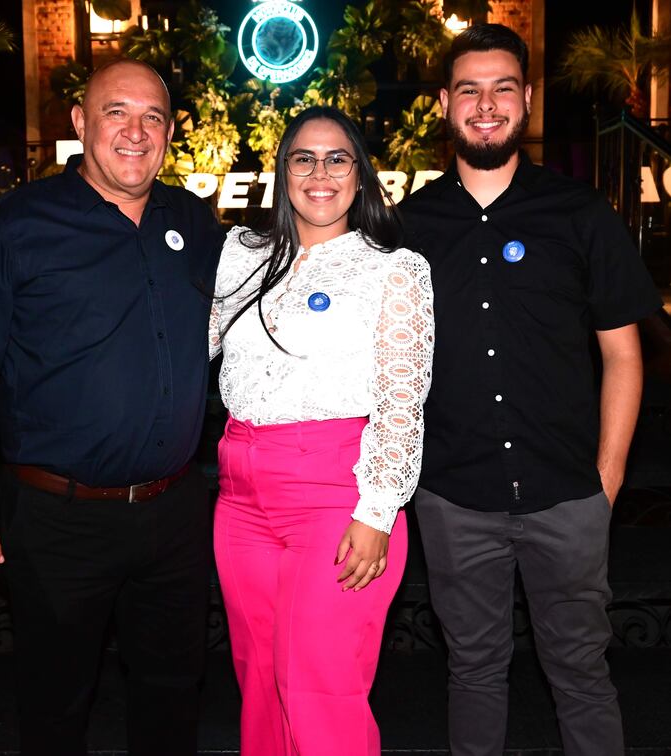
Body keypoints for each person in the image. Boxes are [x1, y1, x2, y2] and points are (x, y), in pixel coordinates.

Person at [0, 59, 224, 756]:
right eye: (117, 112)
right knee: (55, 707)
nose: (135, 132)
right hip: (59, 520)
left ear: (169, 132)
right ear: (82, 122)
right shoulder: (18, 225)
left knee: (173, 699)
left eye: (152, 117)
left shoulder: (191, 221)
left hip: (174, 514)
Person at [398, 24, 662, 756]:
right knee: (473, 673)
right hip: (453, 496)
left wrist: (607, 481)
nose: (486, 105)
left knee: (582, 674)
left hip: (568, 495)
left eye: (503, 88)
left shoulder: (580, 213)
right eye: (470, 90)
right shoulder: (409, 227)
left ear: (528, 99)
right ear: (445, 103)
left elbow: (624, 354)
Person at [209, 105, 434, 756]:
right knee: (260, 684)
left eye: (338, 159)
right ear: (282, 173)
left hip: (337, 494)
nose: (320, 173)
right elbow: (191, 343)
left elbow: (401, 401)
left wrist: (378, 510)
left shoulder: (394, 268)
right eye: (303, 159)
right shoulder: (240, 254)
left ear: (361, 176)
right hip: (239, 496)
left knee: (317, 691)